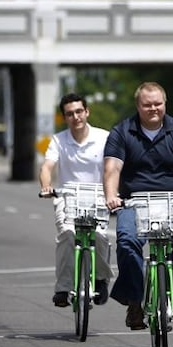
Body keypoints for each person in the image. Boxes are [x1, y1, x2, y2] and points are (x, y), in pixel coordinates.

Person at [103, 81, 173, 330]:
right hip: (135, 201)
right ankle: (134, 302)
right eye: (147, 104)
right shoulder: (122, 132)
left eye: (157, 104)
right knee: (127, 242)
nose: (153, 108)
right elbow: (112, 168)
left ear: (165, 104)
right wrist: (111, 195)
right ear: (138, 106)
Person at [39, 93, 113, 308]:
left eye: (79, 111)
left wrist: (114, 191)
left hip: (98, 196)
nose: (76, 117)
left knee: (99, 236)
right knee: (67, 234)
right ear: (64, 118)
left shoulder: (104, 137)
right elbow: (47, 167)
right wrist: (46, 186)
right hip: (67, 196)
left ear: (87, 112)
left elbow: (114, 167)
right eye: (70, 114)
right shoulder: (58, 140)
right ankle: (63, 288)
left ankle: (100, 279)